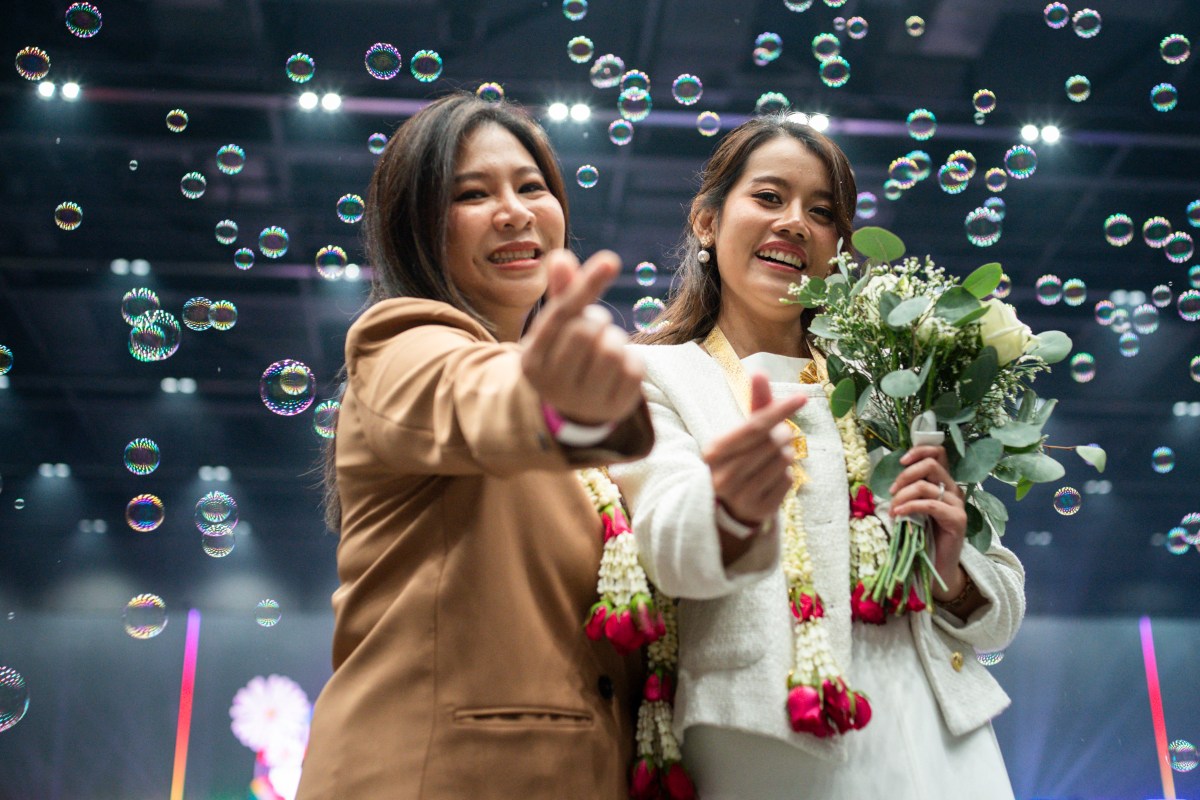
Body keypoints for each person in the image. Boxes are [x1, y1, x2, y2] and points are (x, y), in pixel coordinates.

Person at [608, 115, 1025, 799]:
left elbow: (1004, 604)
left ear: (837, 247)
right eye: (769, 198)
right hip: (766, 737)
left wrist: (951, 574)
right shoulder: (656, 377)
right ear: (706, 222)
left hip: (941, 739)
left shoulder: (891, 379)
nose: (796, 222)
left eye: (822, 212)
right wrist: (734, 498)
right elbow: (667, 549)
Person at [295, 92, 656, 799]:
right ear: (418, 228)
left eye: (532, 186)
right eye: (472, 194)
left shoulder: (588, 460)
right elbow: (478, 396)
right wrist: (560, 400)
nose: (515, 211)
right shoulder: (398, 344)